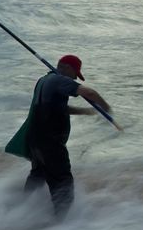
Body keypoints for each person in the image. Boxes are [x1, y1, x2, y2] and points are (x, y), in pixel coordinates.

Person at [20, 54, 111, 219]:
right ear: (68, 69)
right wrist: (106, 108)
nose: (75, 78)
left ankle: (19, 212)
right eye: (75, 74)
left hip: (35, 139)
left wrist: (85, 112)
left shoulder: (44, 81)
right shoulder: (60, 80)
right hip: (50, 143)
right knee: (63, 181)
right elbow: (89, 93)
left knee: (38, 176)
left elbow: (56, 106)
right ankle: (62, 222)